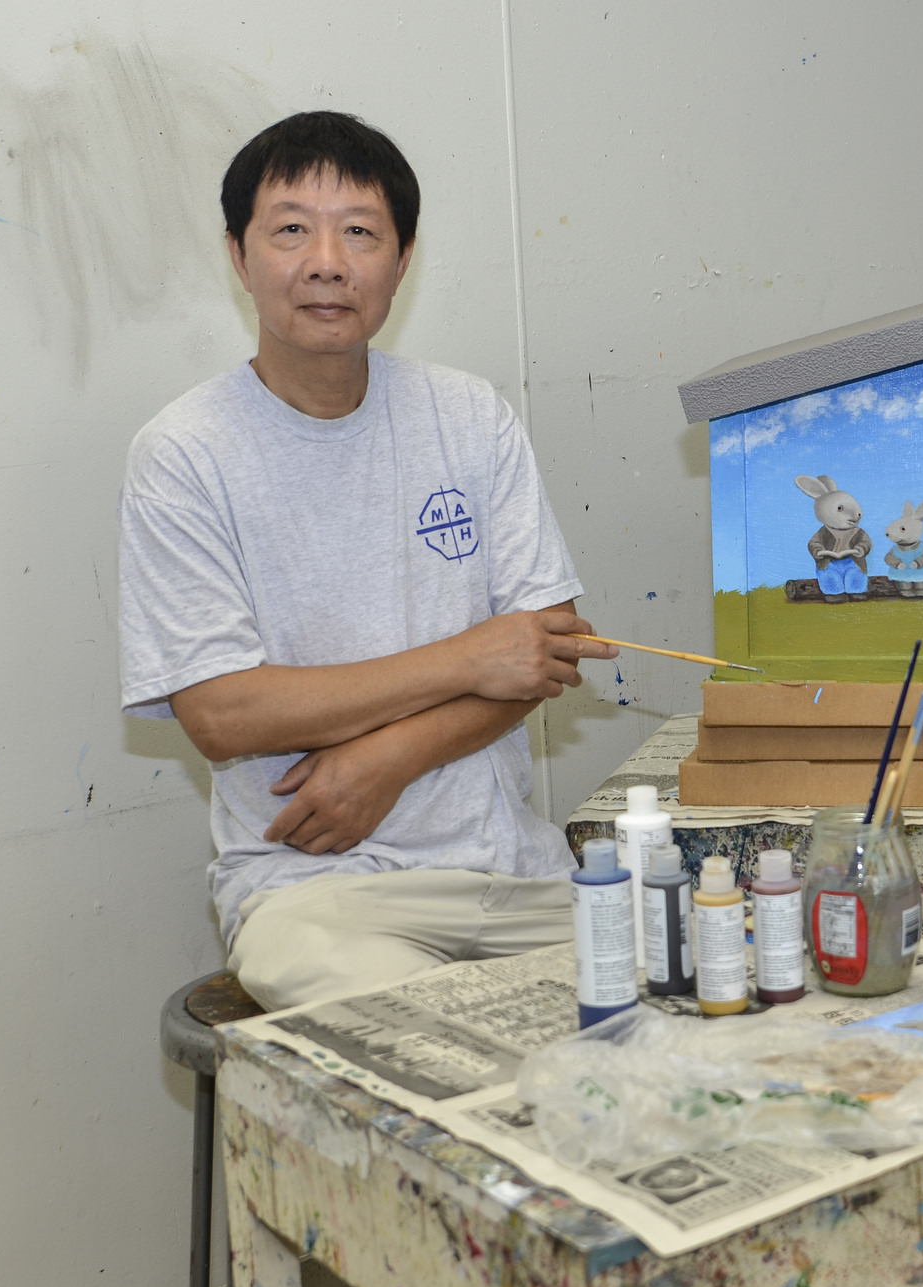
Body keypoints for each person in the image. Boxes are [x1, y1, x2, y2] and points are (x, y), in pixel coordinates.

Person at [118, 111, 615, 1018]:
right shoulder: (185, 452)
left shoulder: (469, 415)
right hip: (315, 895)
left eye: (359, 231)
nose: (326, 261)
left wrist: (387, 758)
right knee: (433, 1043)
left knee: (677, 1007)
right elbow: (222, 712)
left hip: (517, 875)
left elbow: (543, 651)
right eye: (291, 229)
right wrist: (466, 657)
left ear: (403, 258)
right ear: (238, 256)